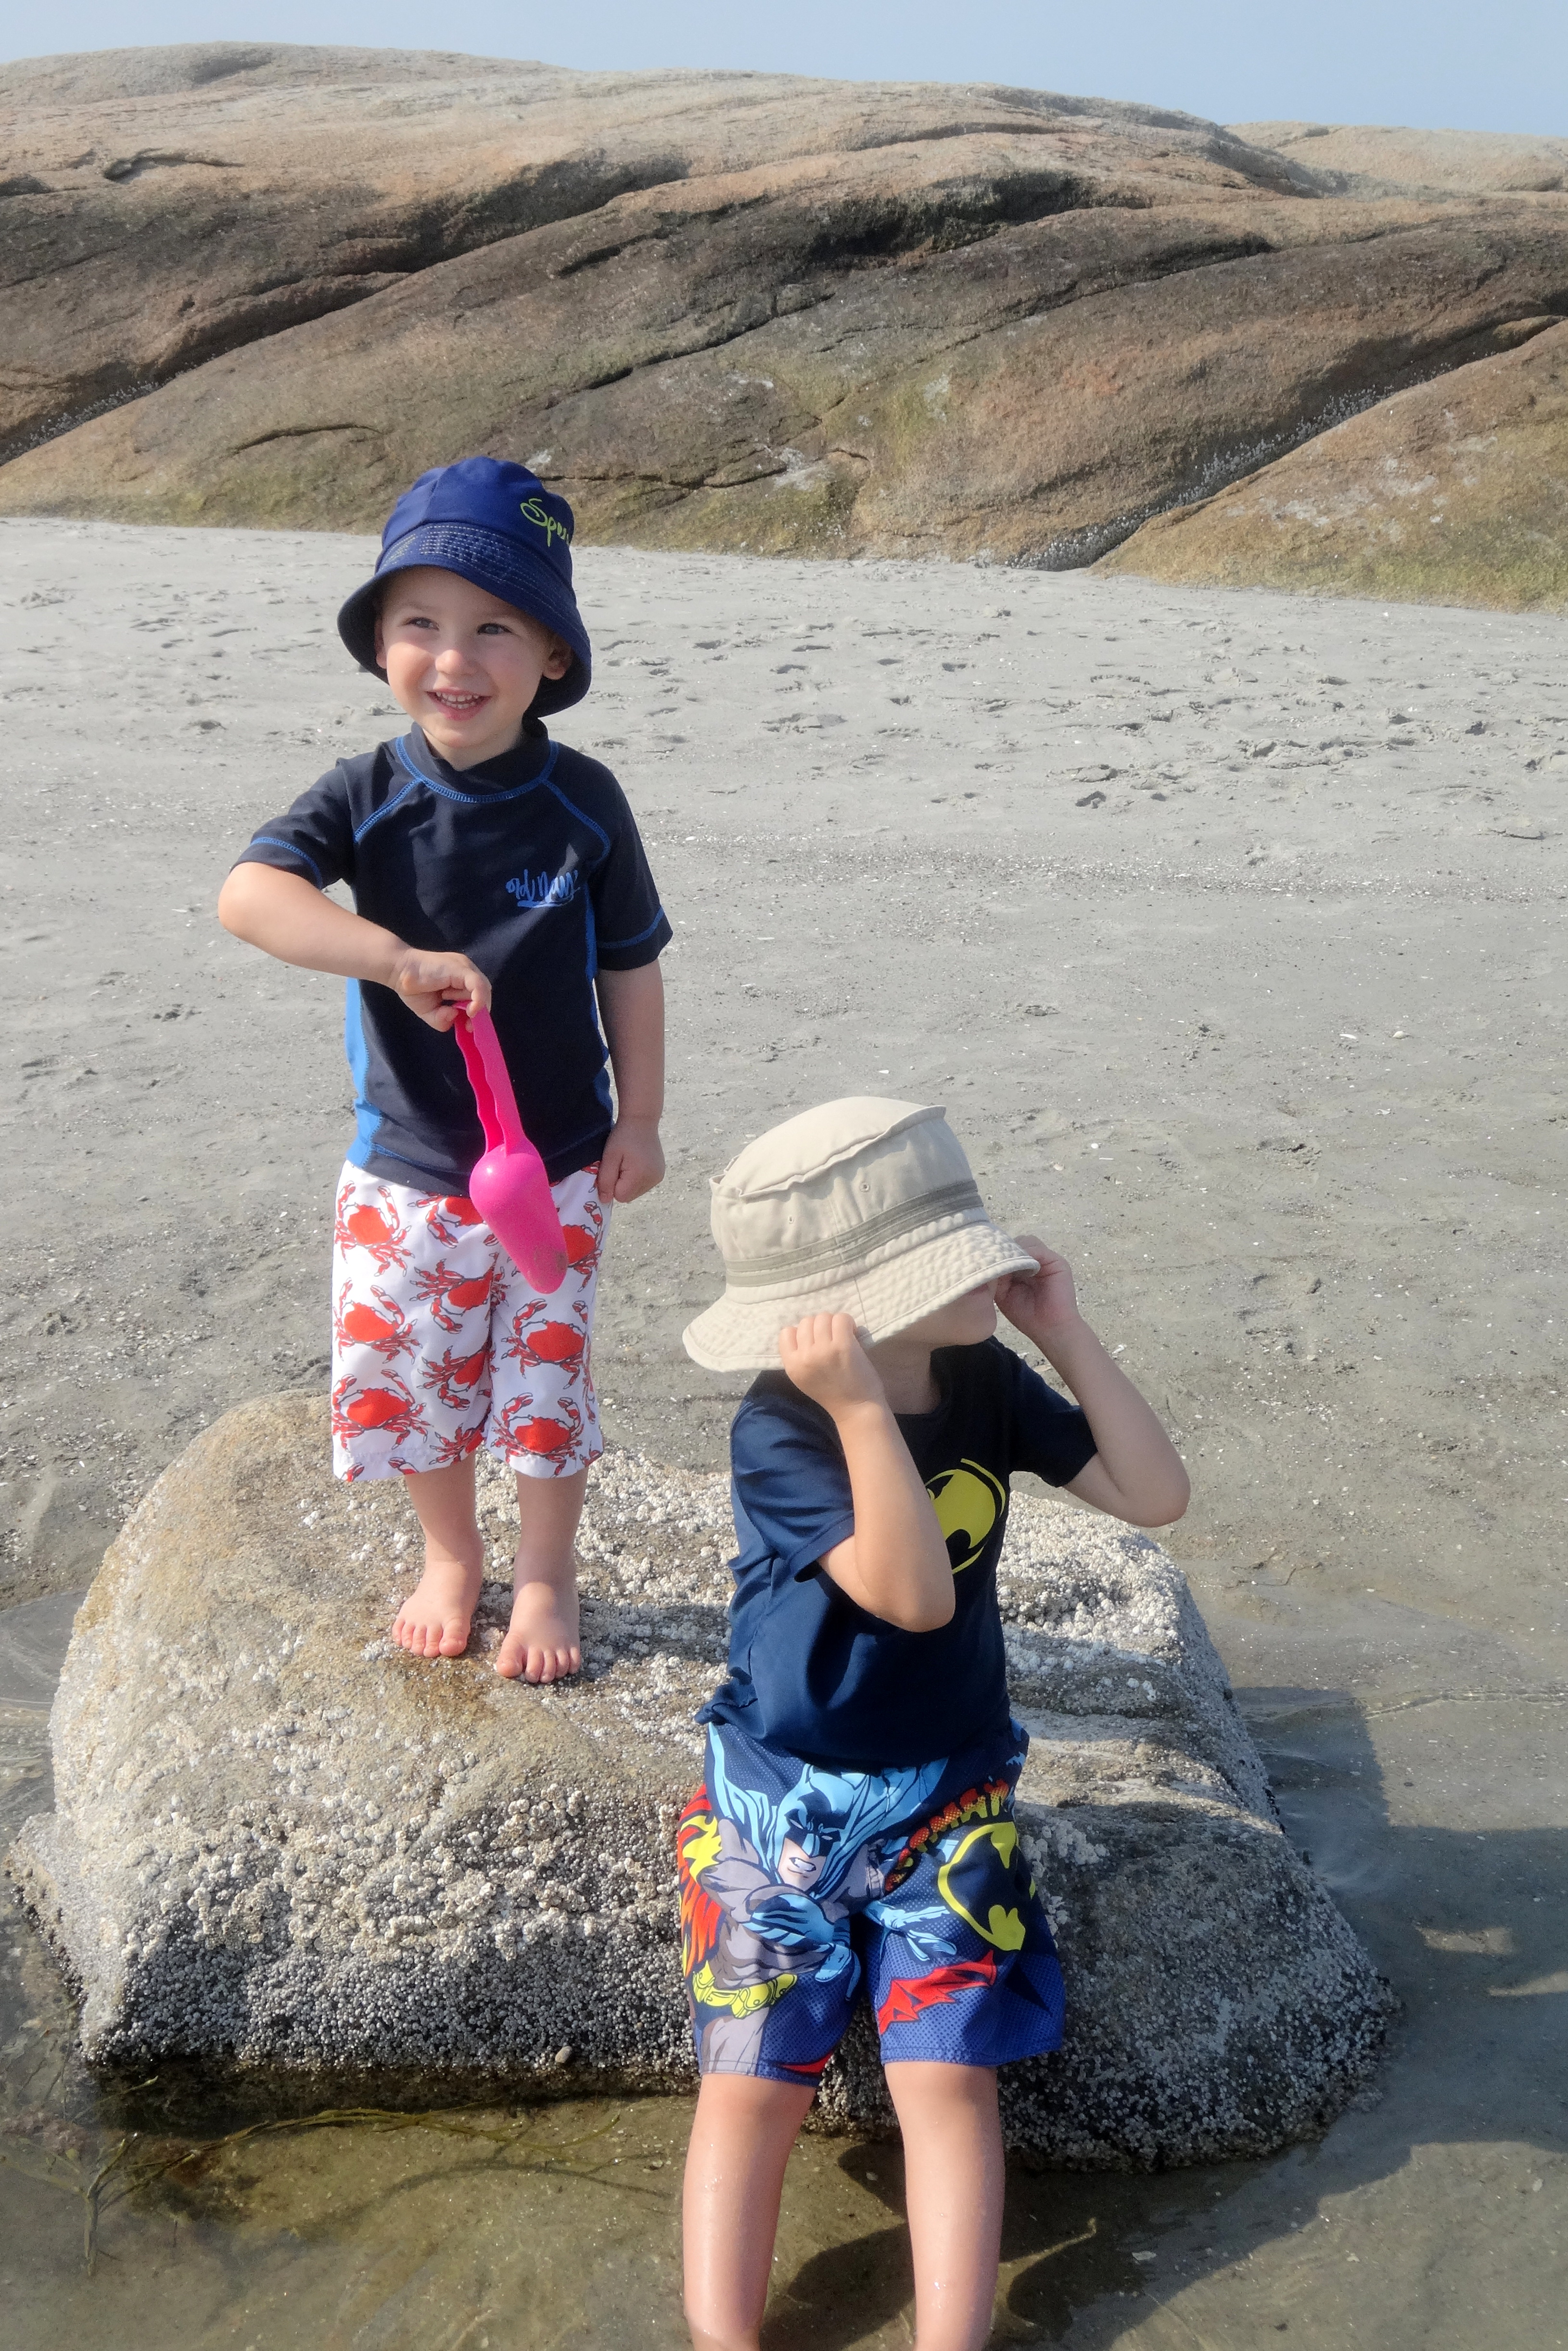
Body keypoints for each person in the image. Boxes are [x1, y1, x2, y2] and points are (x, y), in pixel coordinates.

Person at [677, 1097, 1189, 2351]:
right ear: (849, 1305)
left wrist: (1063, 1332)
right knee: (750, 2081)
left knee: (950, 2079)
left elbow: (1154, 1492)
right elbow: (911, 1592)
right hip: (777, 1795)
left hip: (948, 1795)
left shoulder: (983, 1379)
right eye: (952, 1257)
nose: (989, 1267)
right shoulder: (780, 1426)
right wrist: (859, 1409)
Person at [217, 458, 670, 1684]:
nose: (453, 658)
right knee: (417, 1378)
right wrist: (392, 956)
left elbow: (631, 964)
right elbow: (249, 896)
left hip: (560, 1163)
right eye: (419, 623)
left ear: (554, 655)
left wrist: (641, 1118)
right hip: (406, 1166)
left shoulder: (585, 803)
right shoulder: (365, 794)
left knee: (546, 1378)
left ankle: (546, 1570)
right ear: (379, 645)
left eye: (494, 628)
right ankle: (451, 1554)